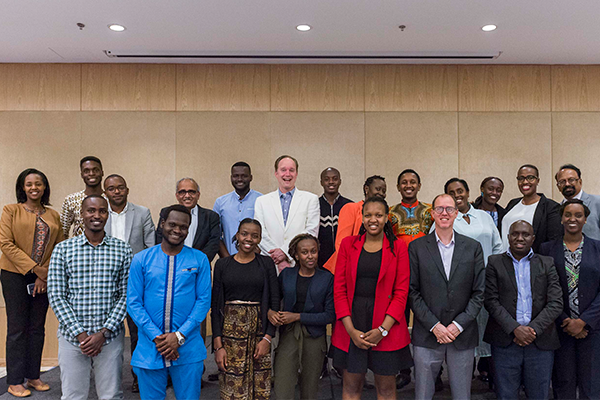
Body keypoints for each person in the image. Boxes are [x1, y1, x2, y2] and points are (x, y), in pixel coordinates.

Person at [48, 195, 132, 400]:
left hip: (110, 338)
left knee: (111, 395)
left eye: (102, 211)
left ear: (107, 214)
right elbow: (57, 296)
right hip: (72, 338)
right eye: (91, 211)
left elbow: (126, 295)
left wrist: (103, 333)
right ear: (81, 214)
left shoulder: (122, 249)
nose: (97, 215)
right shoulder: (63, 249)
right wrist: (81, 335)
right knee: (73, 396)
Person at [127, 204, 211, 400]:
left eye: (183, 227)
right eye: (172, 224)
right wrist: (158, 338)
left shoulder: (200, 259)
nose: (177, 230)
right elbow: (133, 303)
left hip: (188, 348)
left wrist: (179, 336)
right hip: (150, 347)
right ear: (162, 224)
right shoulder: (141, 259)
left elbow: (203, 301)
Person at [332, 196, 412, 400]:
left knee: (385, 390)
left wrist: (382, 330)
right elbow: (339, 290)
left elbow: (401, 293)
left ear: (387, 218)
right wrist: (350, 330)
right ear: (362, 217)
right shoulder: (348, 245)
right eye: (368, 215)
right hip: (352, 323)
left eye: (378, 215)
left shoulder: (399, 247)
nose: (373, 219)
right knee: (351, 387)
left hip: (386, 325)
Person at [409, 194, 485, 400]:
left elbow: (479, 293)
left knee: (462, 396)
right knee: (422, 395)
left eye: (449, 209)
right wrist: (435, 326)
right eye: (440, 209)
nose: (444, 213)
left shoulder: (473, 247)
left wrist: (457, 325)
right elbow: (412, 291)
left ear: (456, 214)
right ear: (432, 213)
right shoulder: (416, 248)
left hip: (462, 334)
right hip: (427, 334)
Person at [0, 169, 64, 397]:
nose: (34, 187)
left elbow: (59, 246)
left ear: (45, 187)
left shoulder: (53, 215)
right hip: (14, 274)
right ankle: (15, 380)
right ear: (22, 187)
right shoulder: (11, 210)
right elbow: (6, 244)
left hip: (43, 277)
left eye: (39, 183)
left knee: (37, 328)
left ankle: (33, 376)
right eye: (29, 184)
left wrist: (42, 275)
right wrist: (34, 268)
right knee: (17, 328)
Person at [485, 220, 563, 400]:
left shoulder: (547, 263)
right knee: (505, 395)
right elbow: (490, 301)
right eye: (515, 234)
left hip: (540, 343)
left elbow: (556, 302)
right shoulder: (494, 263)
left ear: (533, 238)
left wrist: (532, 330)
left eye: (525, 234)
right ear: (508, 237)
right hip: (505, 342)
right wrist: (515, 329)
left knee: (539, 395)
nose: (520, 238)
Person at [438, 178, 502, 383]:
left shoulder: (484, 216)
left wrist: (495, 276)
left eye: (460, 191)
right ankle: (462, 381)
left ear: (467, 192)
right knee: (464, 330)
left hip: (487, 282)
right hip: (459, 287)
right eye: (451, 192)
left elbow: (498, 247)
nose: (457, 195)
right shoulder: (444, 217)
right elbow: (434, 249)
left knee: (488, 328)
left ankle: (492, 377)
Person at [211, 218, 279, 400]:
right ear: (237, 236)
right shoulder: (223, 265)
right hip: (230, 336)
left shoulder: (266, 264)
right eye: (244, 234)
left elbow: (274, 301)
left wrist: (267, 337)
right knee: (233, 388)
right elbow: (215, 306)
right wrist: (218, 346)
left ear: (259, 239)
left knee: (260, 387)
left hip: (259, 334)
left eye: (254, 236)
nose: (249, 239)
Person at [540, 199, 600, 400]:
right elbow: (543, 290)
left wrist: (584, 322)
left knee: (592, 386)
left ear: (585, 219)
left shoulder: (598, 248)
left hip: (593, 330)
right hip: (560, 328)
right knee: (562, 384)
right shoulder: (547, 249)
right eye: (568, 214)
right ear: (561, 218)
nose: (572, 219)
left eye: (578, 215)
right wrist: (566, 320)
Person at [103, 173, 155, 393]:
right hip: (105, 284)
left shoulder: (142, 212)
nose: (116, 191)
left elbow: (151, 248)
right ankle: (106, 380)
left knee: (137, 333)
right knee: (107, 333)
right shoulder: (99, 213)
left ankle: (138, 377)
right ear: (105, 192)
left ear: (127, 189)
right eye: (112, 188)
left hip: (136, 283)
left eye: (120, 187)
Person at [272, 233, 335, 400]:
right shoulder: (286, 275)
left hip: (314, 338)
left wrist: (297, 316)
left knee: (309, 390)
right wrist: (272, 313)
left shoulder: (327, 278)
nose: (310, 256)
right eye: (305, 252)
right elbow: (274, 300)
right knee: (282, 386)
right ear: (296, 255)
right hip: (288, 335)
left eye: (313, 251)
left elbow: (329, 316)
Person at [388, 169, 432, 389]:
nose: (408, 185)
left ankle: (434, 371)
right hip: (399, 274)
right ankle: (403, 370)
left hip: (427, 274)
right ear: (398, 187)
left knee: (428, 319)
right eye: (404, 182)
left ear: (419, 185)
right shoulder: (389, 213)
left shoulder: (430, 211)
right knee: (400, 321)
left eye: (413, 182)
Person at [254, 155, 319, 273]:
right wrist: (278, 258)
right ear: (276, 173)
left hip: (298, 265)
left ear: (297, 173)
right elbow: (260, 233)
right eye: (283, 170)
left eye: (291, 170)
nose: (287, 174)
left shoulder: (311, 199)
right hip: (269, 264)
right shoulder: (262, 201)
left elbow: (311, 231)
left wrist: (285, 253)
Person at [323, 175, 387, 273]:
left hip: (371, 267)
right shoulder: (351, 208)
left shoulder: (385, 214)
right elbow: (341, 244)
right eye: (378, 189)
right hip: (347, 268)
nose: (381, 193)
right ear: (366, 189)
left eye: (384, 191)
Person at [156, 177, 220, 262]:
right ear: (177, 195)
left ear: (198, 195)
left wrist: (198, 263)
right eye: (182, 192)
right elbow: (160, 237)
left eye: (191, 192)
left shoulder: (211, 217)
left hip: (199, 266)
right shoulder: (166, 212)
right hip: (170, 263)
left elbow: (213, 244)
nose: (187, 196)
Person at [502, 164, 561, 252]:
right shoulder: (512, 203)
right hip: (505, 260)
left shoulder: (551, 207)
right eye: (521, 178)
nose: (525, 182)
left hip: (534, 261)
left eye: (530, 178)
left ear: (538, 181)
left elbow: (553, 241)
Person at [213, 161, 262, 258]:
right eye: (236, 176)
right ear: (231, 178)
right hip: (228, 258)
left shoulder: (261, 200)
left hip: (255, 259)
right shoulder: (220, 202)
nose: (240, 179)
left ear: (251, 177)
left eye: (244, 176)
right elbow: (216, 236)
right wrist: (228, 260)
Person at [60, 156, 105, 238]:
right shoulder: (71, 200)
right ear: (82, 175)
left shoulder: (110, 199)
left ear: (102, 172)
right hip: (78, 249)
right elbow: (62, 232)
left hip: (108, 248)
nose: (91, 174)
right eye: (86, 171)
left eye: (96, 170)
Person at [318, 167, 353, 267]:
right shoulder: (314, 205)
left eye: (335, 178)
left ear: (340, 181)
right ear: (321, 182)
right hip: (320, 263)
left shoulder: (349, 206)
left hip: (345, 261)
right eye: (326, 179)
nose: (331, 182)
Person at [555, 163, 600, 240]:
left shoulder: (597, 202)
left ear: (580, 182)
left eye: (571, 180)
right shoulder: (556, 209)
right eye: (562, 181)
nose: (567, 184)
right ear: (558, 187)